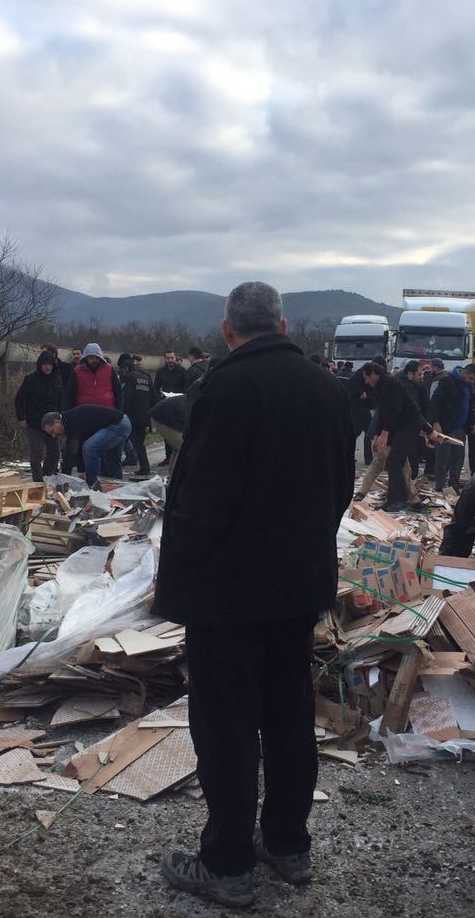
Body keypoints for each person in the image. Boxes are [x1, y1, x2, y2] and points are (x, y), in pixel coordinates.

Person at [154, 282, 352, 908]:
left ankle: (228, 863)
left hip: (229, 591)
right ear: (284, 325)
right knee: (290, 714)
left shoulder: (226, 386)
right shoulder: (327, 387)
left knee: (227, 726)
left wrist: (180, 560)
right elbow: (341, 486)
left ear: (227, 329)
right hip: (299, 585)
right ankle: (288, 843)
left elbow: (203, 496)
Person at [362, 361, 428, 513]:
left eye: (366, 377)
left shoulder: (391, 385)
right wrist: (378, 434)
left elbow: (394, 411)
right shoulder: (380, 387)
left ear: (374, 374)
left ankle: (400, 499)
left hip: (409, 425)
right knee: (393, 462)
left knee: (394, 461)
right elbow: (382, 413)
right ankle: (392, 500)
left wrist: (384, 434)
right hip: (398, 427)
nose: (366, 381)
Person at [42, 406, 132, 488]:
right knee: (112, 459)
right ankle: (117, 488)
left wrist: (64, 476)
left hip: (118, 425)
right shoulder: (70, 419)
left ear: (57, 422)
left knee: (90, 448)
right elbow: (78, 447)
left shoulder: (72, 422)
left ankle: (93, 486)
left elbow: (72, 450)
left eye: (52, 431)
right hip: (122, 421)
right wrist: (81, 471)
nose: (53, 436)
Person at [14, 351, 63, 482]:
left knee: (54, 452)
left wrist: (61, 417)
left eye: (50, 364)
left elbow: (61, 399)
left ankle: (46, 477)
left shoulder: (57, 379)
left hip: (53, 422)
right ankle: (37, 481)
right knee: (36, 453)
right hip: (35, 422)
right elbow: (19, 398)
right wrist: (21, 418)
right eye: (45, 364)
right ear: (40, 365)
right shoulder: (31, 379)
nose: (47, 367)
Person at [430, 363, 475, 492]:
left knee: (458, 459)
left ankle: (454, 485)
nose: (471, 381)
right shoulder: (447, 381)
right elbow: (434, 401)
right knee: (443, 458)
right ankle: (440, 486)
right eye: (470, 378)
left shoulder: (468, 386)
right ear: (464, 372)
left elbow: (470, 405)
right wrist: (436, 422)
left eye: (473, 379)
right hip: (445, 426)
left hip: (460, 427)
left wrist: (473, 421)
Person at [122, 354, 158, 476]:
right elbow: (153, 397)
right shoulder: (146, 377)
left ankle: (117, 463)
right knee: (140, 443)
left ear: (126, 369)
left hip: (133, 415)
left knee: (122, 438)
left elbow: (128, 396)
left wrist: (124, 412)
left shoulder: (129, 377)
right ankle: (144, 467)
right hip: (145, 415)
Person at [63, 343, 123, 411]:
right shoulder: (77, 371)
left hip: (107, 411)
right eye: (91, 358)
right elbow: (69, 394)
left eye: (97, 357)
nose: (94, 360)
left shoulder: (109, 370)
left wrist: (119, 410)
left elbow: (118, 391)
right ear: (86, 357)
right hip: (84, 412)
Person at [149, 394, 187, 461]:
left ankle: (173, 467)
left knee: (177, 449)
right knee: (184, 449)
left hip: (159, 413)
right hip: (164, 415)